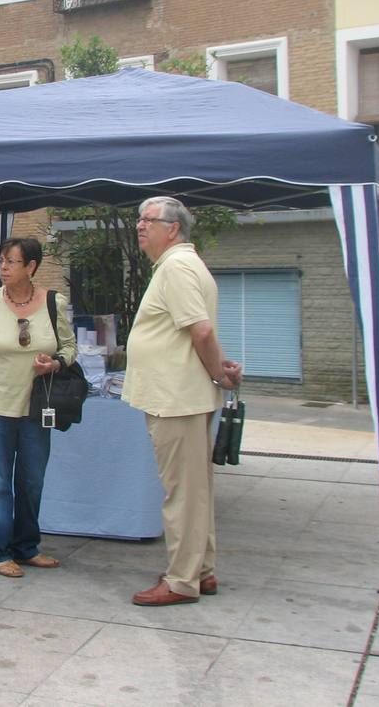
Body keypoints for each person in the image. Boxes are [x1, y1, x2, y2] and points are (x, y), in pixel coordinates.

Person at [123, 196, 242, 607]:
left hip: (177, 398)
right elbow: (199, 331)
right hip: (179, 396)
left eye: (148, 219)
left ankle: (182, 579)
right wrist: (221, 370)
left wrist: (215, 373)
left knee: (183, 494)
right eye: (138, 219)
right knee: (195, 489)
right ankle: (200, 570)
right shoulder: (182, 266)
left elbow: (202, 331)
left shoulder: (176, 267)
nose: (140, 226)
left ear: (172, 228)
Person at [0, 237, 78, 578]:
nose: (4, 269)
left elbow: (69, 347)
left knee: (32, 480)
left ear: (32, 267)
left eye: (11, 262)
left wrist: (54, 363)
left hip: (37, 409)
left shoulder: (53, 302)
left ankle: (26, 547)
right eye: (1, 262)